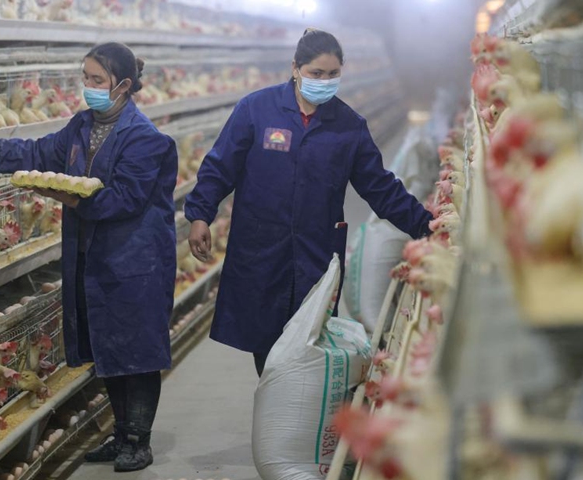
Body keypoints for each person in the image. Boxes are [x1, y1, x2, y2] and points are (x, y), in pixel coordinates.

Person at [0, 42, 177, 472]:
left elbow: (124, 201)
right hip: (94, 258)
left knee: (138, 353)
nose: (88, 87)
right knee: (108, 347)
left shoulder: (146, 139)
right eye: (86, 78)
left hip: (135, 262)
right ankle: (121, 435)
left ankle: (139, 440)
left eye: (97, 80)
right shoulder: (81, 126)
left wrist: (65, 196)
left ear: (124, 86)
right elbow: (44, 152)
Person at [185, 29, 433, 377]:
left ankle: (293, 418)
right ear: (296, 68)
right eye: (316, 73)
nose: (324, 81)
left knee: (309, 346)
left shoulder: (349, 126)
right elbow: (220, 166)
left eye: (333, 74)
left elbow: (379, 187)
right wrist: (199, 215)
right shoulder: (257, 109)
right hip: (260, 250)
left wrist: (426, 225)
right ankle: (276, 413)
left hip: (315, 252)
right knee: (267, 349)